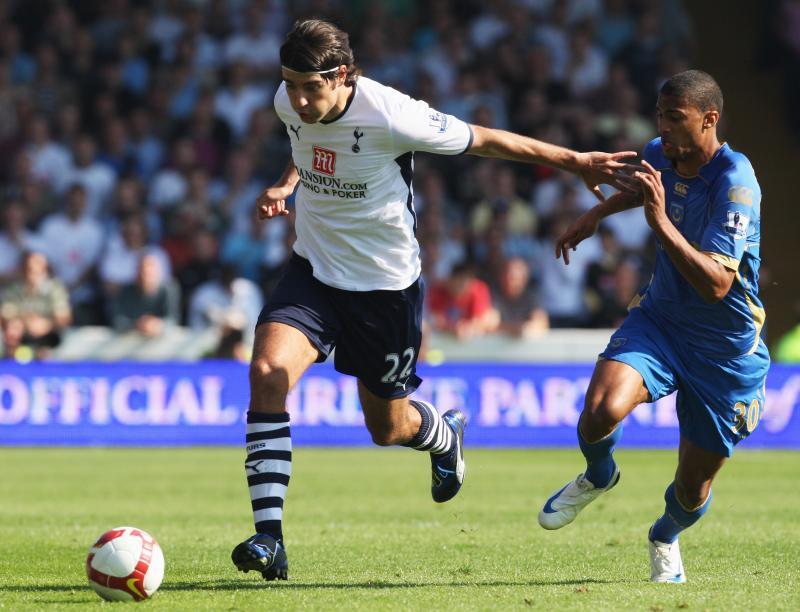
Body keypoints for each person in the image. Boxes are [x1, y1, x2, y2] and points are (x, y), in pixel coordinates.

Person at [232, 19, 636, 581]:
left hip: (384, 289)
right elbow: (306, 146)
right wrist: (286, 184)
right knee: (268, 370)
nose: (296, 99)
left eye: (310, 88)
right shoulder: (289, 100)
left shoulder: (393, 114)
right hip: (314, 272)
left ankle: (443, 435)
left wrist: (578, 162)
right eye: (290, 85)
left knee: (387, 428)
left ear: (343, 75)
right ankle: (268, 537)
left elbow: (487, 139)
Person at [537, 70, 770, 583]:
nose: (661, 128)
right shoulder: (663, 151)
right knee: (599, 410)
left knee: (692, 491)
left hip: (725, 351)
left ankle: (665, 535)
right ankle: (600, 474)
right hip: (661, 321)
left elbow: (715, 284)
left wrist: (660, 223)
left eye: (674, 118)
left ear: (709, 120)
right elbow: (648, 185)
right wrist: (598, 212)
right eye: (659, 115)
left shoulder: (737, 183)